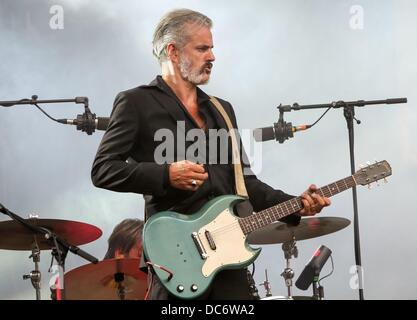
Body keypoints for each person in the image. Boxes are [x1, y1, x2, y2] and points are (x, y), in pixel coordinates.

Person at [91, 9, 331, 300]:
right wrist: (166, 174)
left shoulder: (222, 110)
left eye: (212, 48)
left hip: (228, 264)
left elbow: (247, 185)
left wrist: (296, 205)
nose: (212, 56)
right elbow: (103, 169)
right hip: (176, 261)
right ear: (173, 51)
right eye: (202, 48)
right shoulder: (136, 102)